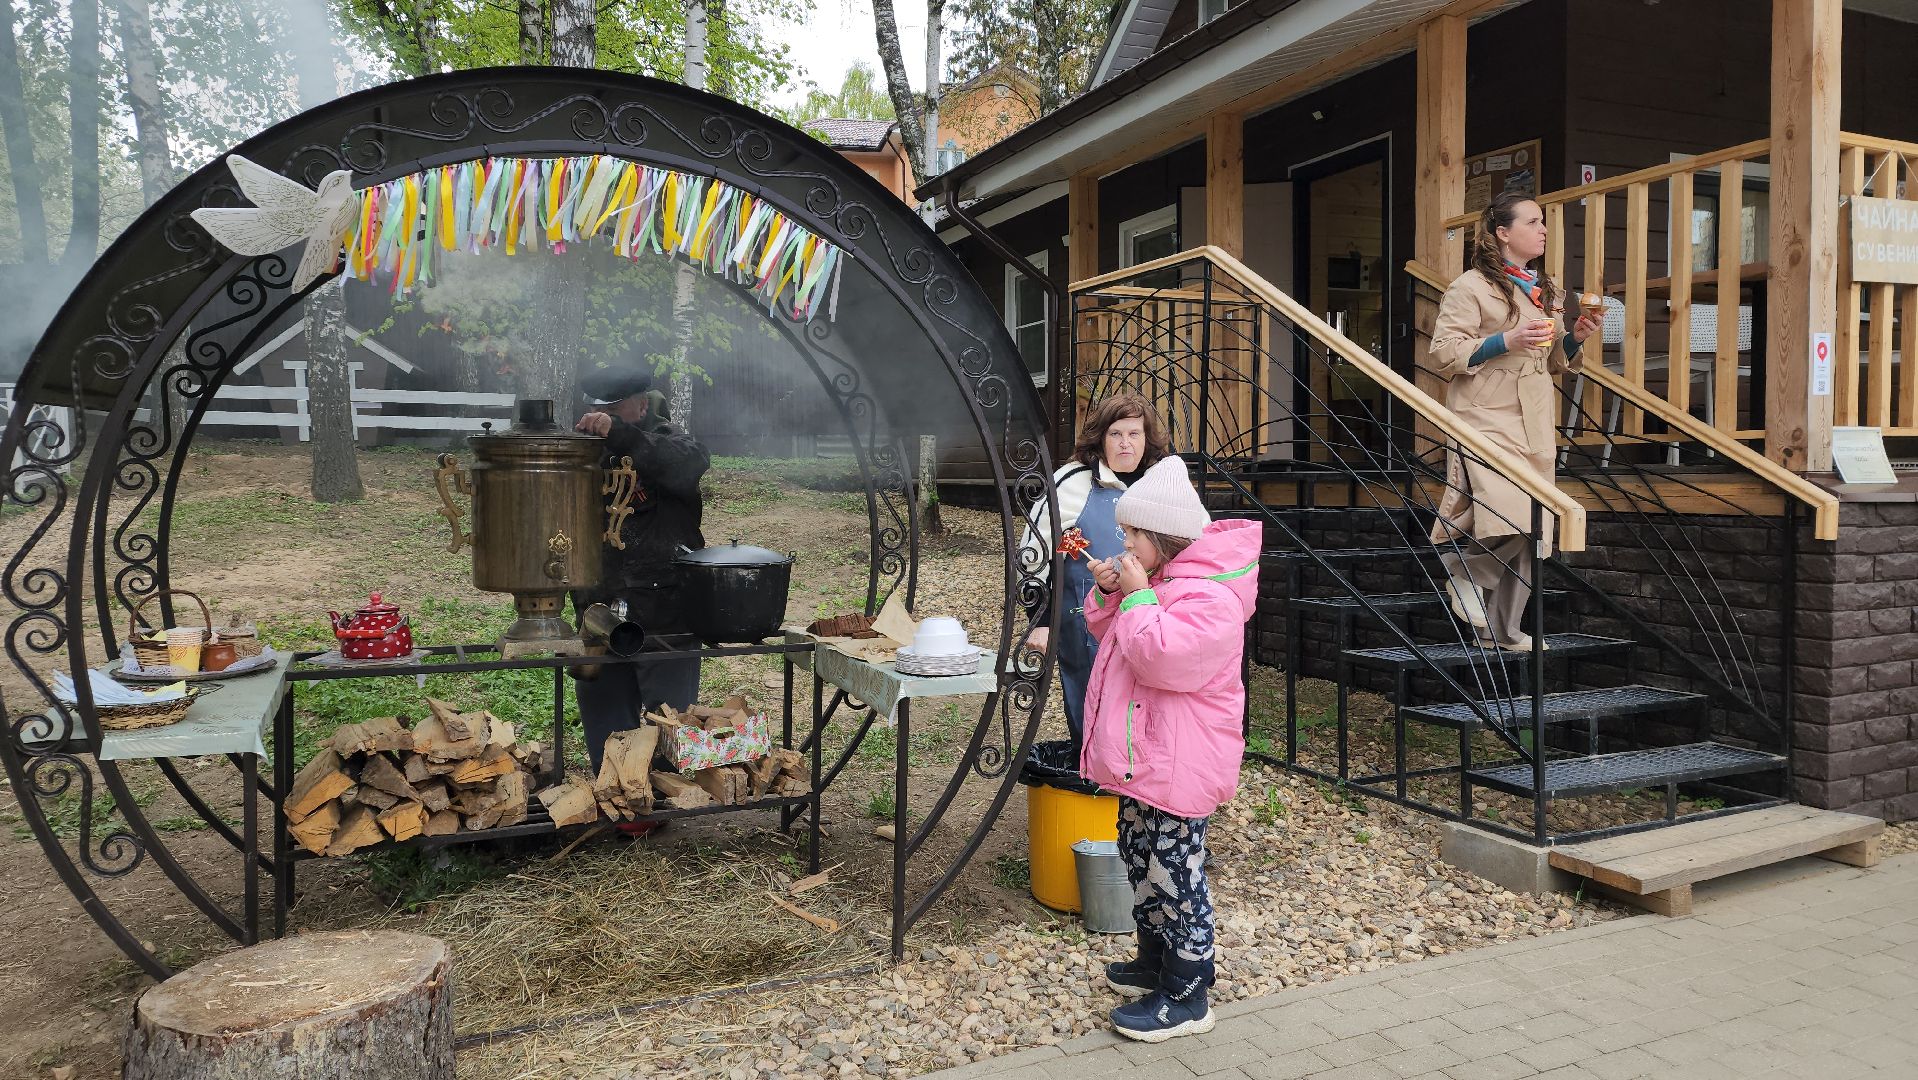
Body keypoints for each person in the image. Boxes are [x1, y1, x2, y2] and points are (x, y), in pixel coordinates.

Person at [1076, 455, 1260, 1043]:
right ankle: (1155, 960)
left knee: (1175, 871)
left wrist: (1135, 598)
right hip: (1149, 757)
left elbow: (1161, 657)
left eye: (1132, 534)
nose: (1123, 541)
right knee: (1141, 856)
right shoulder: (1163, 585)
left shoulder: (1211, 598)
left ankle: (1187, 991)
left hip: (1180, 761)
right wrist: (1112, 596)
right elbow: (1116, 636)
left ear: (1162, 538)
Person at [1426, 192, 1601, 651]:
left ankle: (1500, 631)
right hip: (1485, 415)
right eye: (1533, 222)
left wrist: (1575, 339)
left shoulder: (1548, 288)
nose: (1543, 230)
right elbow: (1444, 354)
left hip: (1535, 418)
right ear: (1503, 232)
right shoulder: (1469, 287)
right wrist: (1506, 338)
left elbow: (1553, 361)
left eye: (1543, 223)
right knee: (1511, 513)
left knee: (1534, 526)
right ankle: (1463, 571)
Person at [571, 365, 710, 777]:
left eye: (614, 408)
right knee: (603, 712)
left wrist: (621, 434)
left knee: (669, 717)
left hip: (664, 607)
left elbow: (690, 463)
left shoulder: (670, 441)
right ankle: (616, 789)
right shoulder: (585, 450)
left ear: (640, 403)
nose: (604, 416)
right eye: (599, 409)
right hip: (598, 604)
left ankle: (663, 792)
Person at [1020, 392, 1169, 746]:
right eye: (1116, 434)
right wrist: (1039, 622)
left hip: (1153, 618)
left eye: (1134, 434)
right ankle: (1095, 787)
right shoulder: (1071, 482)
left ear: (1147, 438)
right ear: (1101, 438)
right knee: (1094, 710)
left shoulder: (1162, 482)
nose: (1125, 444)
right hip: (1085, 622)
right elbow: (1032, 556)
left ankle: (1141, 792)